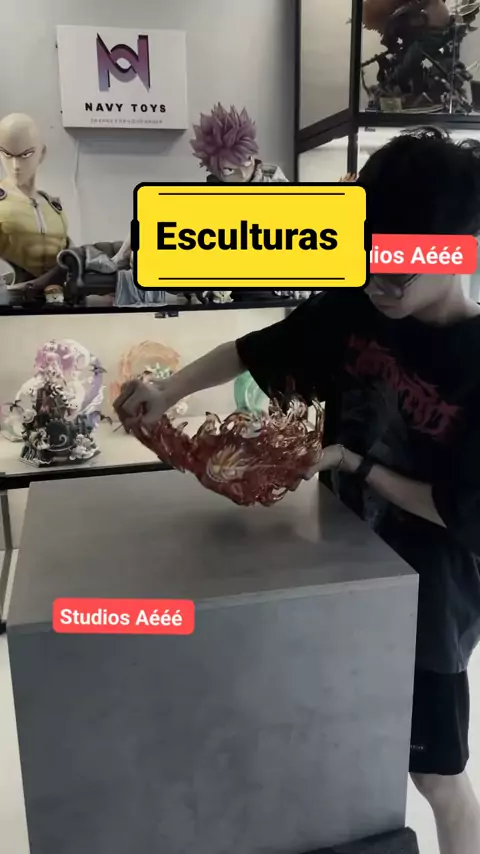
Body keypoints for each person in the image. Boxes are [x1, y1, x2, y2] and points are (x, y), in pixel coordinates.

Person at [114, 127, 480, 854]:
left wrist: (353, 462)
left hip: (430, 602)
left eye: (399, 269)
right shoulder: (356, 307)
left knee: (436, 777)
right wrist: (168, 390)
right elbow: (257, 348)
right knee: (333, 731)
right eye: (369, 260)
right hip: (341, 569)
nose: (380, 283)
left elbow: (463, 514)